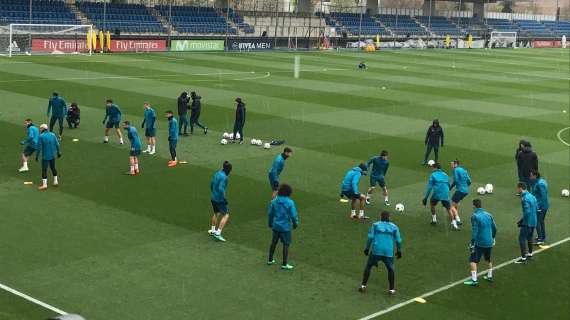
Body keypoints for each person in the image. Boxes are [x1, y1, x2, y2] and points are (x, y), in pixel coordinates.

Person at [359, 210, 402, 295]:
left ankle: (363, 286)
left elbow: (370, 237)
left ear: (381, 217)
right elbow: (398, 240)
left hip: (376, 250)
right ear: (389, 217)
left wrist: (367, 248)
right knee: (391, 269)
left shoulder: (375, 225)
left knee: (368, 266)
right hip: (388, 252)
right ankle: (391, 289)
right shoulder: (394, 227)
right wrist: (399, 251)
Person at [463, 199, 497, 286]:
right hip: (489, 241)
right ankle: (489, 276)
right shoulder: (489, 215)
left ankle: (474, 281)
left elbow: (475, 232)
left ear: (474, 206)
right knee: (487, 259)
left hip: (480, 242)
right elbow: (495, 228)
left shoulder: (475, 216)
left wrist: (472, 243)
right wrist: (493, 238)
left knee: (473, 260)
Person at [267, 183, 299, 270]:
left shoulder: (274, 201)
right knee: (286, 244)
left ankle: (270, 259)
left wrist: (270, 223)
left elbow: (270, 214)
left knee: (273, 243)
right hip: (285, 227)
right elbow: (293, 215)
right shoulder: (290, 202)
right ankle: (284, 263)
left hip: (276, 226)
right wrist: (295, 223)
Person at [422, 162, 459, 230]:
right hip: (445, 193)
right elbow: (448, 184)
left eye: (433, 168)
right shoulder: (445, 174)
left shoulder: (433, 175)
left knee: (432, 203)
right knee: (448, 208)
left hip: (437, 193)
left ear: (435, 168)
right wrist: (446, 192)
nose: (432, 169)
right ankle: (455, 224)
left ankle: (434, 219)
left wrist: (425, 198)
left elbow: (429, 188)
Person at [209, 161, 233, 242]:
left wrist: (213, 193)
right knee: (226, 215)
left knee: (216, 213)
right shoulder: (224, 177)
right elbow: (221, 189)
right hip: (219, 199)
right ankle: (218, 233)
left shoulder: (217, 173)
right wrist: (223, 198)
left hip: (213, 197)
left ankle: (212, 230)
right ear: (228, 170)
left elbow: (211, 184)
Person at [514, 183, 537, 264]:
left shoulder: (525, 198)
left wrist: (522, 221)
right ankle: (530, 254)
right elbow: (536, 208)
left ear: (521, 188)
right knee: (530, 237)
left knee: (521, 238)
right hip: (534, 221)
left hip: (527, 222)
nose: (517, 190)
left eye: (518, 188)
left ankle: (523, 258)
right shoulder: (532, 196)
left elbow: (527, 212)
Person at [35, 124, 61, 190]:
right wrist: (58, 153)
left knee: (44, 170)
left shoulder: (41, 136)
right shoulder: (53, 134)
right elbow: (57, 144)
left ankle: (44, 185)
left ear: (43, 128)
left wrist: (37, 156)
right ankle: (55, 181)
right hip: (53, 155)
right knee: (53, 168)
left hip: (45, 156)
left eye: (40, 128)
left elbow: (39, 148)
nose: (39, 130)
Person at [530, 170, 549, 245]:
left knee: (537, 221)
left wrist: (539, 206)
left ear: (535, 176)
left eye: (531, 175)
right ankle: (542, 237)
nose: (530, 177)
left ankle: (541, 239)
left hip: (541, 206)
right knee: (540, 221)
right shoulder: (541, 181)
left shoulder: (540, 184)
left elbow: (543, 196)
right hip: (542, 205)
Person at [450, 159, 471, 225]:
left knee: (451, 206)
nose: (451, 166)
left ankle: (458, 219)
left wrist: (450, 187)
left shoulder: (455, 170)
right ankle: (455, 214)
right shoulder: (464, 170)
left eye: (452, 164)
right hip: (465, 191)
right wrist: (465, 186)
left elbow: (455, 180)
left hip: (460, 190)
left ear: (455, 164)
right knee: (456, 203)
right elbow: (469, 181)